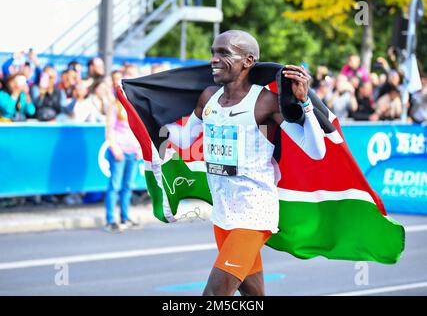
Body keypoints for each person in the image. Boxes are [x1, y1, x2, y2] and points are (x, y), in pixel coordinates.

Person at [165, 30, 326, 296]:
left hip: (253, 214)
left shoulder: (264, 103)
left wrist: (305, 103)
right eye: (213, 52)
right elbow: (184, 139)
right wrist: (149, 123)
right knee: (253, 295)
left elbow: (315, 150)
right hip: (223, 213)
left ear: (248, 60)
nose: (214, 59)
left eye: (224, 53)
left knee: (215, 295)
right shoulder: (209, 98)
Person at [104, 97, 142, 232]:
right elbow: (109, 130)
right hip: (119, 151)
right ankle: (110, 220)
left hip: (133, 152)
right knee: (115, 186)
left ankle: (124, 217)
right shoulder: (115, 106)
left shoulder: (135, 105)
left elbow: (139, 129)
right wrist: (115, 148)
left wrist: (139, 148)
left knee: (127, 186)